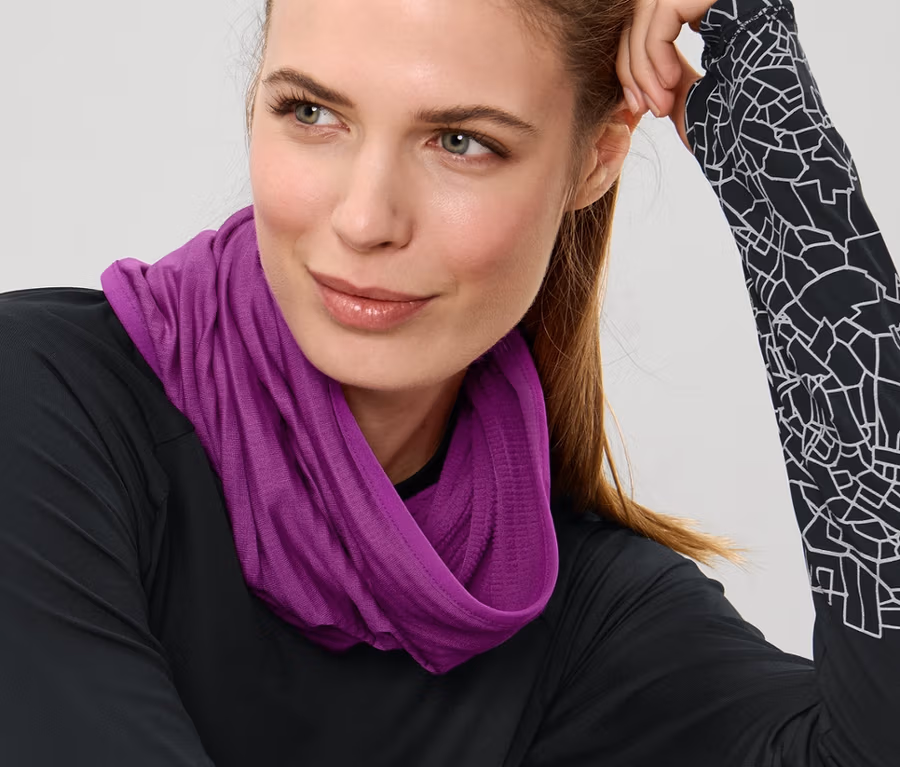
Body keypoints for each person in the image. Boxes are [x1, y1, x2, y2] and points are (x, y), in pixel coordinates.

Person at [0, 0, 896, 764]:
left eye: (460, 141)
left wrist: (779, 161)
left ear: (596, 158)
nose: (365, 219)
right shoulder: (39, 406)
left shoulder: (576, 611)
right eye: (312, 112)